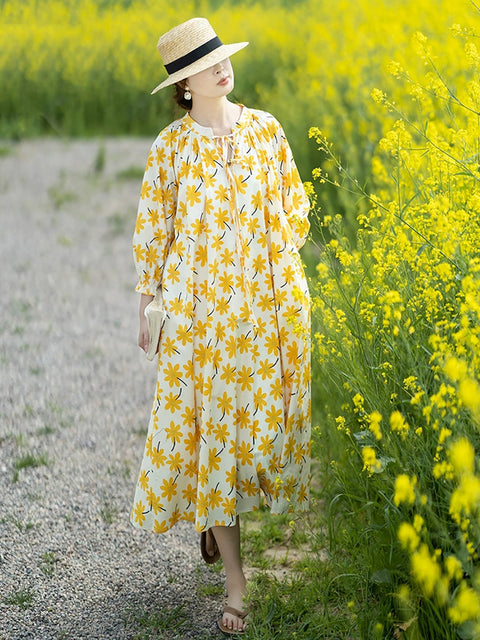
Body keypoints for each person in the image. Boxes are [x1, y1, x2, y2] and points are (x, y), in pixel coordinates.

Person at [130, 17, 311, 635]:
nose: (220, 68)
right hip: (200, 319)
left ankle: (214, 515)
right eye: (206, 65)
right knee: (216, 441)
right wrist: (149, 306)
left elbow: (293, 207)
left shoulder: (265, 131)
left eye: (221, 58)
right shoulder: (170, 151)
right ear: (185, 84)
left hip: (260, 314)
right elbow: (153, 234)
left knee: (254, 434)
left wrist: (279, 281)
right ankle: (236, 583)